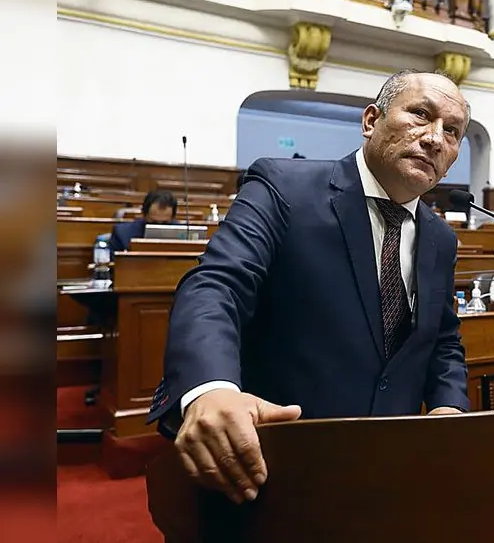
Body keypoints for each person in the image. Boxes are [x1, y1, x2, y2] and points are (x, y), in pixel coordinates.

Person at [146, 70, 472, 504]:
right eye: (420, 115)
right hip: (274, 467)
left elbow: (442, 338)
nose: (434, 138)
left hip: (387, 475)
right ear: (371, 121)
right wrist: (211, 387)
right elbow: (216, 286)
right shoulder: (283, 187)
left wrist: (450, 406)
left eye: (452, 132)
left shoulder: (441, 239)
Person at [109, 189, 177, 253]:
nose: (158, 228)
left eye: (165, 224)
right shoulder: (122, 233)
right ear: (144, 214)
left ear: (173, 218)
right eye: (153, 223)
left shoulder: (184, 236)